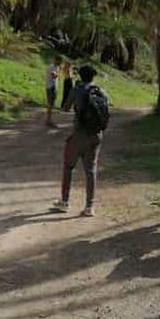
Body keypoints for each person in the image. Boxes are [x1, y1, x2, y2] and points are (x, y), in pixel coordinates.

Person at [53, 65, 109, 217]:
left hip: (79, 134)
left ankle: (64, 202)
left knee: (68, 166)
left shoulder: (77, 90)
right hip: (96, 135)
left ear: (80, 76)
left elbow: (65, 108)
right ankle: (89, 206)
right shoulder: (101, 91)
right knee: (91, 170)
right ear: (93, 76)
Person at [45, 55, 63, 128]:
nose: (60, 63)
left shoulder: (57, 67)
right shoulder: (51, 67)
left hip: (54, 87)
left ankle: (49, 120)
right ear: (56, 60)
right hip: (50, 87)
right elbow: (53, 76)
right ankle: (48, 121)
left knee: (51, 104)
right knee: (50, 104)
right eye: (59, 61)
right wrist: (60, 72)